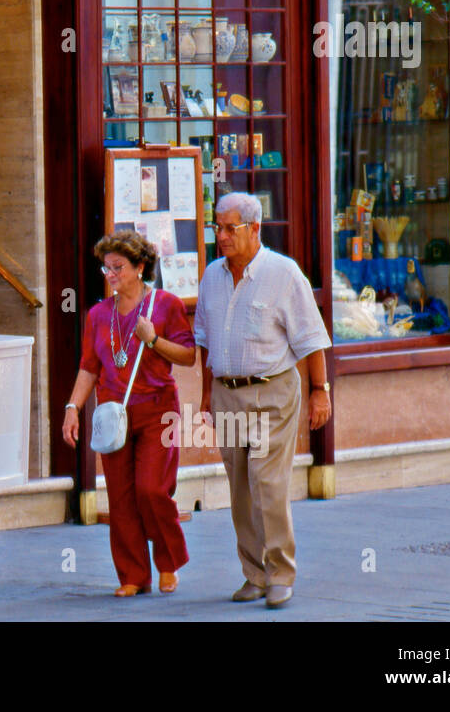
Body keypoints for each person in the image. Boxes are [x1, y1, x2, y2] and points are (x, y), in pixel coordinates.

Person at [194, 192, 332, 610]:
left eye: (229, 228)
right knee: (239, 487)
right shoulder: (212, 277)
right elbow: (205, 341)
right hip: (226, 393)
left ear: (255, 228)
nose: (221, 236)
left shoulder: (284, 274)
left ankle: (280, 574)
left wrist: (320, 392)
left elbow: (310, 340)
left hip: (273, 391)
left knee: (267, 482)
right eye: (216, 227)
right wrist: (205, 396)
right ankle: (253, 573)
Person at [63, 230, 197, 597]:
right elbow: (89, 367)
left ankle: (168, 562)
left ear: (140, 267)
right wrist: (73, 407)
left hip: (157, 411)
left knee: (151, 489)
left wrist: (153, 339)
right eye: (106, 268)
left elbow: (188, 356)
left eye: (118, 267)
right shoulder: (97, 314)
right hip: (112, 413)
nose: (110, 274)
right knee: (120, 497)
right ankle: (133, 575)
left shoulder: (165, 305)